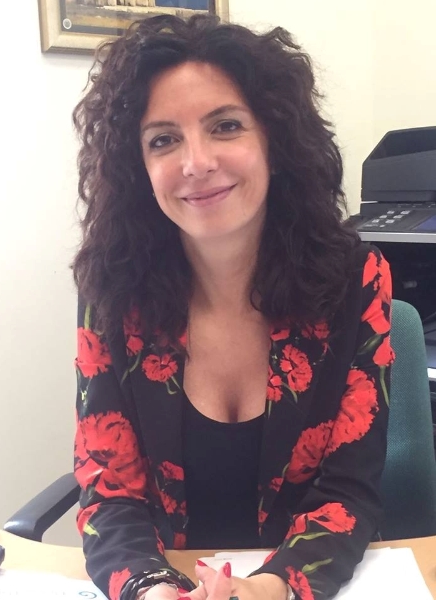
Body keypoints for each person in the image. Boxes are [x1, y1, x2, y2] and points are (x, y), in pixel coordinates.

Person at [72, 13, 395, 600]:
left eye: (225, 126)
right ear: (137, 166)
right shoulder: (113, 290)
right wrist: (152, 589)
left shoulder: (355, 278)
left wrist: (268, 590)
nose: (196, 162)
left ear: (275, 140)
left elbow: (348, 491)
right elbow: (109, 494)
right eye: (163, 139)